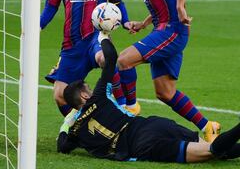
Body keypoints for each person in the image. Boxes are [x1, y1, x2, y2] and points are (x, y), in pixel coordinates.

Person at [57, 32, 240, 163]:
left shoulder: (76, 132)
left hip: (143, 145)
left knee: (211, 151)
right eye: (87, 88)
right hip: (151, 124)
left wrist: (68, 122)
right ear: (84, 95)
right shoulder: (98, 97)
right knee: (214, 151)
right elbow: (111, 59)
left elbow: (62, 146)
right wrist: (103, 35)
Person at [116, 0, 218, 142]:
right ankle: (208, 126)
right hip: (164, 30)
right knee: (165, 92)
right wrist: (144, 24)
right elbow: (163, 2)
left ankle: (129, 109)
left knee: (123, 60)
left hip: (172, 31)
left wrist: (181, 6)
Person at [40, 0, 139, 117]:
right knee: (60, 95)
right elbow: (51, 7)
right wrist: (36, 27)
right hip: (71, 45)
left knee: (105, 58)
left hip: (95, 38)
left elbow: (117, 2)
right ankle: (81, 126)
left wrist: (125, 22)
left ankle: (124, 108)